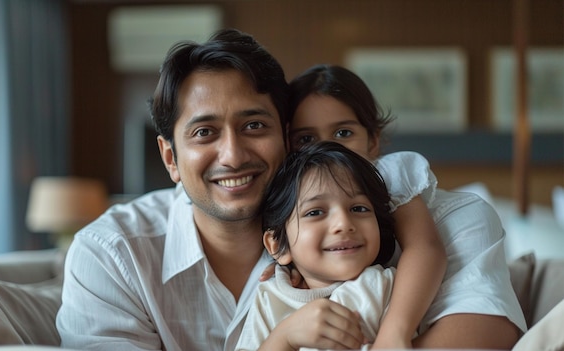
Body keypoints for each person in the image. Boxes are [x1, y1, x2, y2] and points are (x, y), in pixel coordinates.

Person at [56, 29, 364, 351]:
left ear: (286, 140)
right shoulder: (113, 255)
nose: (233, 156)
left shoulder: (349, 233)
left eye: (254, 126)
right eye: (205, 132)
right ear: (170, 158)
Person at [286, 63, 527, 349]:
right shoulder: (291, 211)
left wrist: (394, 333)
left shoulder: (391, 175)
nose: (329, 149)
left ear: (373, 141)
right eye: (306, 139)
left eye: (343, 134)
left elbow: (424, 248)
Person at [235, 141, 403, 351]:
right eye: (315, 212)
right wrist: (284, 337)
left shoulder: (389, 287)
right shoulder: (270, 299)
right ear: (278, 245)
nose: (343, 224)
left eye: (359, 208)